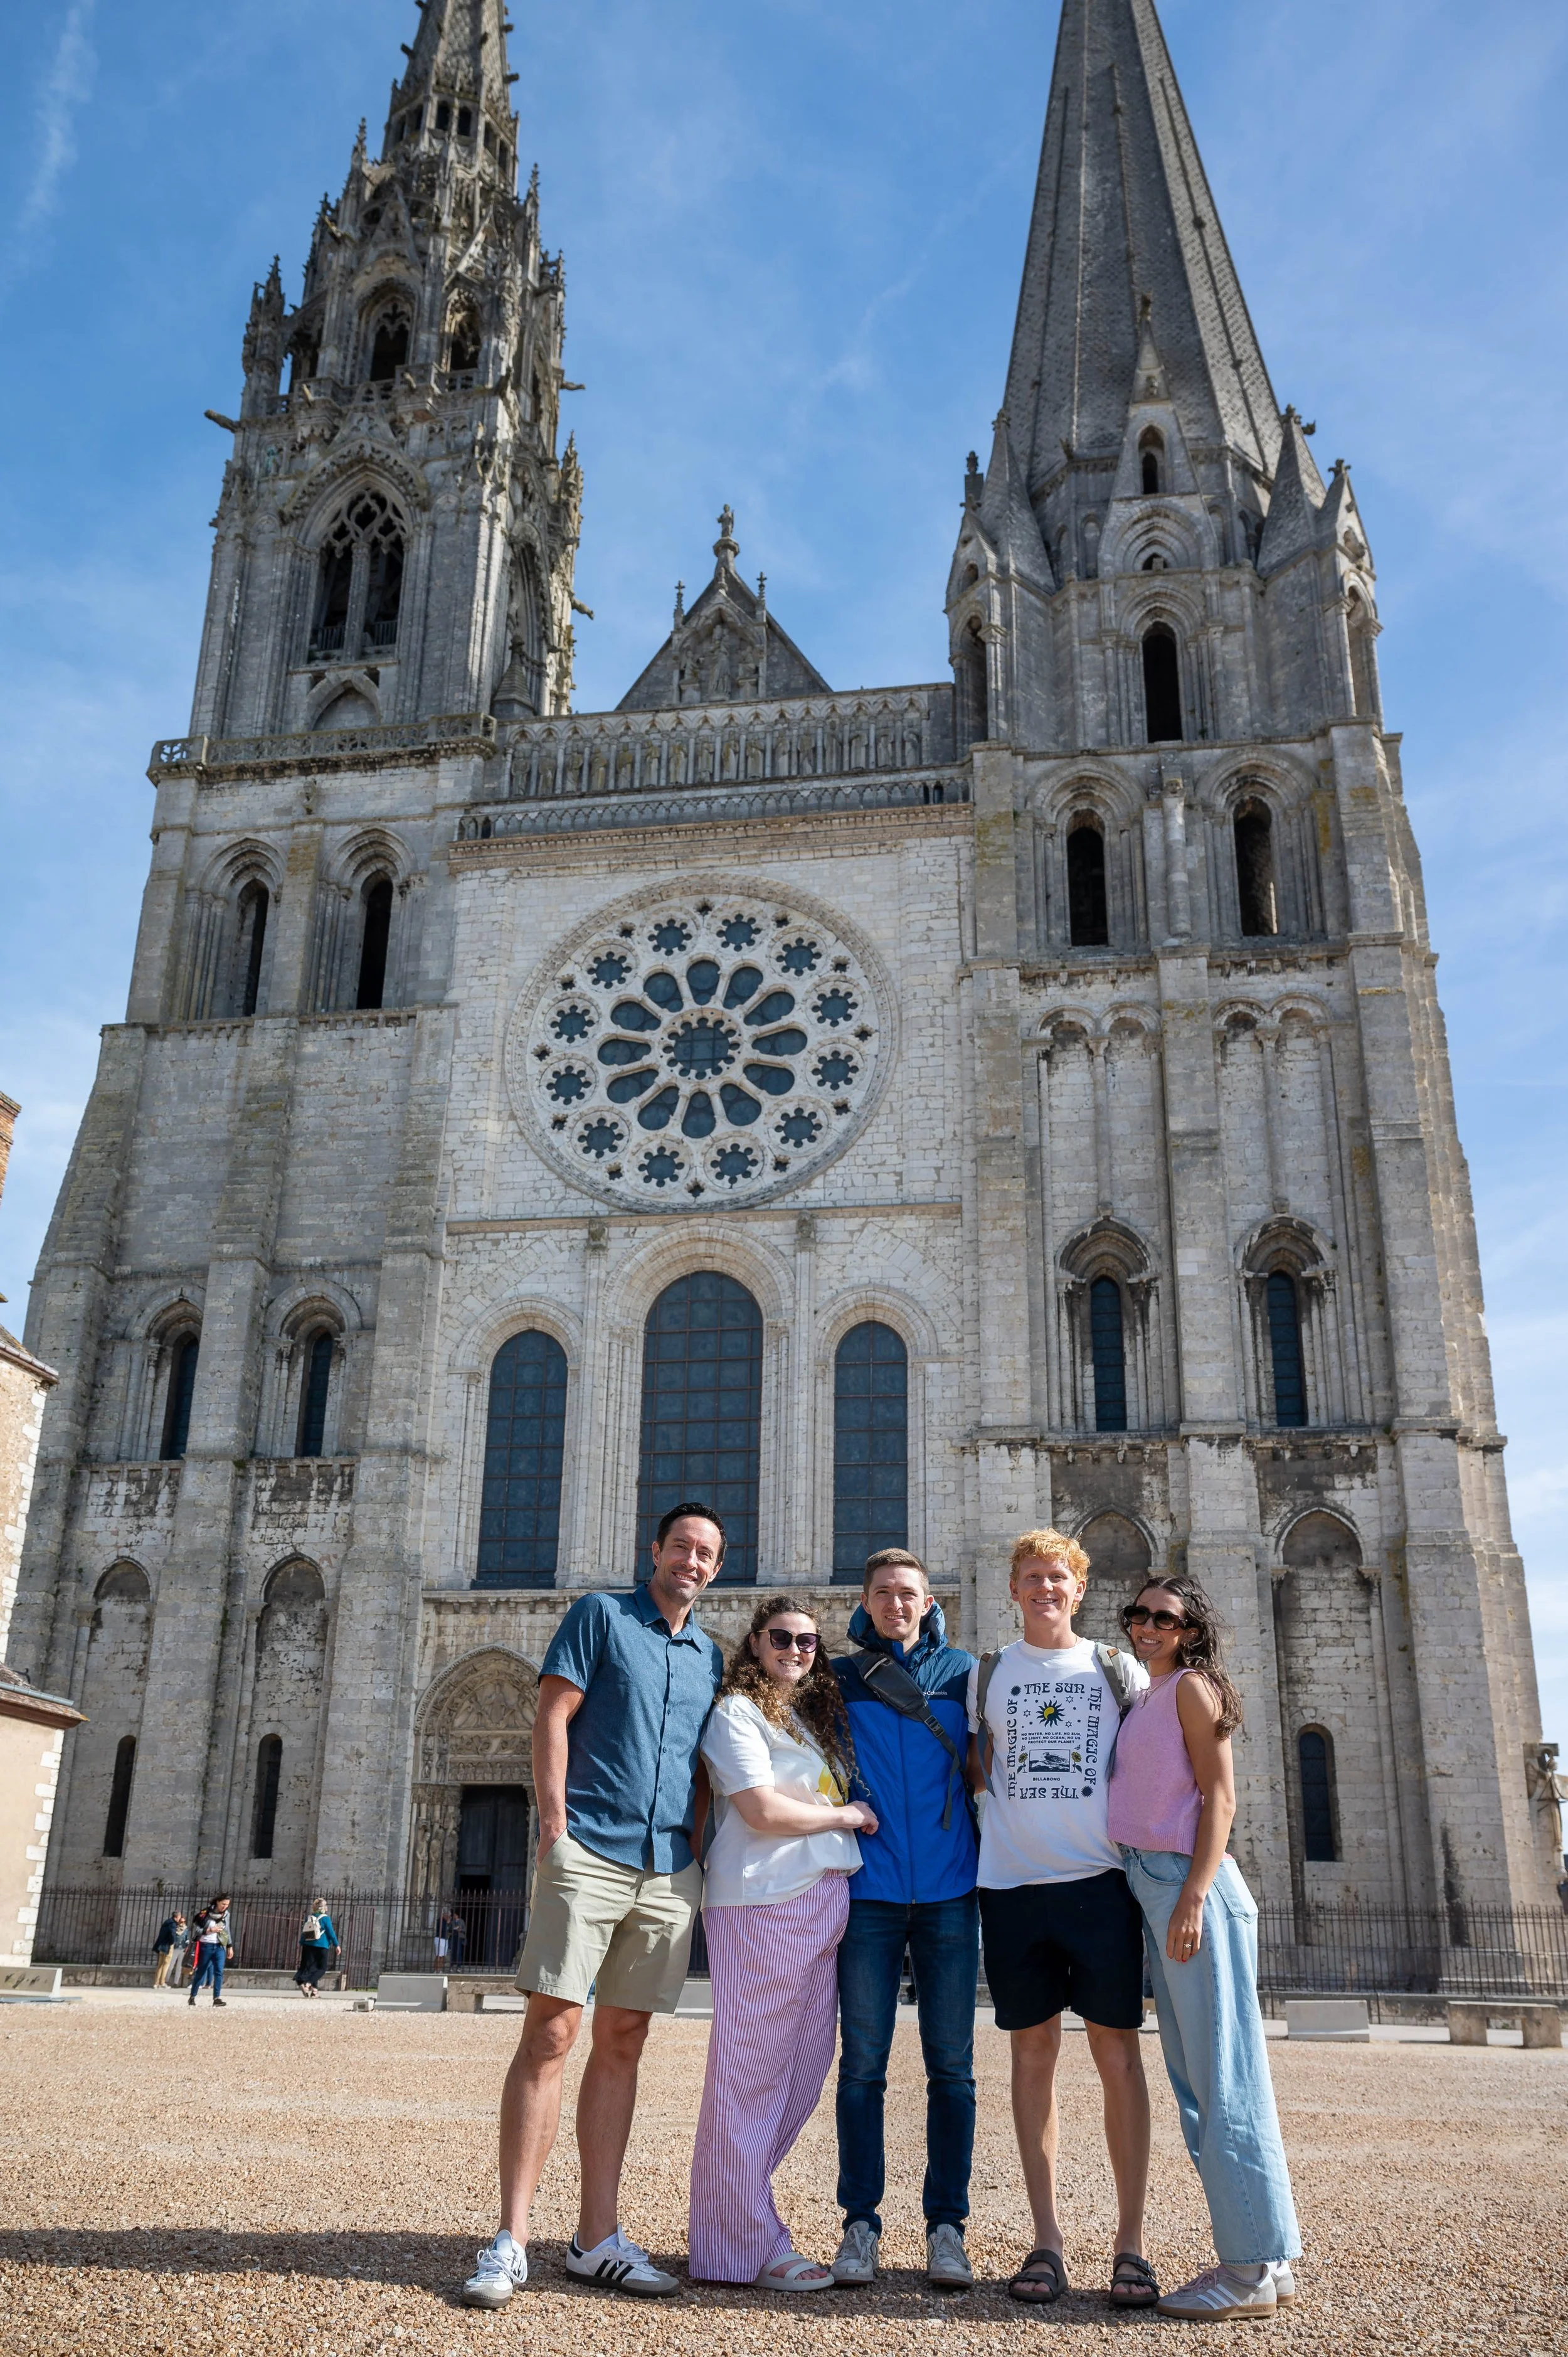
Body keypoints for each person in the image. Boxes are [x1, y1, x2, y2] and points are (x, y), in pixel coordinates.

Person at [460, 1504, 727, 2309]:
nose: (692, 1560)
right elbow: (552, 1712)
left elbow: (705, 1767)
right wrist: (553, 1826)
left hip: (668, 1864)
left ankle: (595, 2239)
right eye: (681, 1545)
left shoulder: (710, 1653)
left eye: (707, 1552)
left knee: (624, 2039)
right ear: (654, 1550)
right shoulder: (601, 1615)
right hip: (593, 1848)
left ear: (717, 1566)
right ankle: (509, 2238)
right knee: (550, 2030)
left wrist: (699, 1852)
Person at [967, 1529, 1157, 2309]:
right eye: (1031, 1577)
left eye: (1058, 1577)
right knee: (1031, 2056)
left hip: (1099, 1883)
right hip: (1012, 1886)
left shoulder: (1119, 1670)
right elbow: (971, 1763)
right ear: (1011, 1588)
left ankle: (1130, 2242)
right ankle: (1046, 2237)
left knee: (1117, 2054)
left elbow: (1160, 1762)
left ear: (1080, 1589)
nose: (1045, 1588)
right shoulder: (984, 1675)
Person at [1108, 1574, 1302, 2322]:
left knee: (1220, 2081)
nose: (1147, 1626)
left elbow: (1219, 1794)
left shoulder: (1193, 1687)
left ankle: (1248, 2265)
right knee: (1203, 2079)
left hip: (1189, 1885)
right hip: (1155, 1882)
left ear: (1190, 1629)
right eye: (1138, 1614)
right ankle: (1269, 2256)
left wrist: (1192, 1895)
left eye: (1164, 1617)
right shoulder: (1150, 1691)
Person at [689, 1596, 873, 2291]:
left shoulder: (798, 1715)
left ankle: (736, 2225)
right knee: (750, 2079)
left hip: (818, 1898)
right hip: (763, 1901)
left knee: (798, 2073)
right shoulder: (737, 1710)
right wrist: (848, 1814)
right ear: (755, 1642)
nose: (797, 1649)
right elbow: (760, 1810)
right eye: (782, 1638)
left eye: (808, 1642)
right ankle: (742, 2244)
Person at [830, 1548, 978, 2291]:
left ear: (928, 1601)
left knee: (952, 2068)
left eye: (908, 1593)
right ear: (867, 1599)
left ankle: (946, 2227)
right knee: (862, 2067)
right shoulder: (839, 1675)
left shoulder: (964, 1674)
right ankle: (859, 2222)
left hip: (951, 1890)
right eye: (883, 1592)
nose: (896, 1602)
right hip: (871, 1894)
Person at [187, 1897, 235, 2007]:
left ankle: (217, 1998)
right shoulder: (205, 1914)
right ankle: (193, 1996)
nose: (225, 1906)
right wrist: (210, 1930)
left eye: (227, 1904)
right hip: (206, 1946)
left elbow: (227, 1931)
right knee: (201, 1972)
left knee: (219, 1972)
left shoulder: (226, 1915)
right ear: (218, 1902)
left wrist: (230, 1946)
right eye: (223, 1904)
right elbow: (197, 1930)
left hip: (219, 1946)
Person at [294, 1898, 339, 1996]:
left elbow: (304, 1932)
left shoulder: (309, 1918)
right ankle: (308, 1984)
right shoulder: (325, 1918)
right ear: (322, 1908)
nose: (327, 1907)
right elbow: (331, 1933)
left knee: (312, 1968)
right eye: (325, 1905)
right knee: (322, 1968)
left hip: (308, 1945)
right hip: (322, 1946)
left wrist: (301, 1942)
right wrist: (336, 1945)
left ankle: (315, 1992)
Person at [152, 1912, 188, 1990]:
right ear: (178, 1917)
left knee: (160, 1965)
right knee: (166, 1965)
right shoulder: (173, 1924)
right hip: (168, 1946)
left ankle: (156, 1983)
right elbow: (172, 1935)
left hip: (162, 1945)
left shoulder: (166, 1923)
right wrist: (173, 1942)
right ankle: (162, 1983)